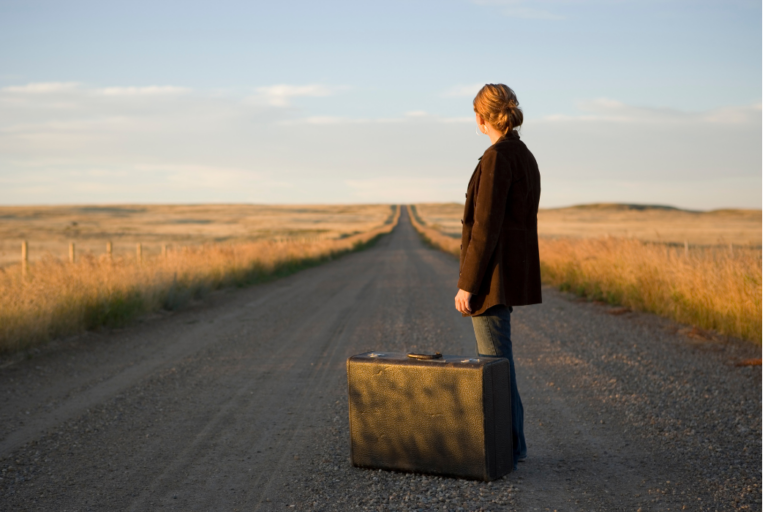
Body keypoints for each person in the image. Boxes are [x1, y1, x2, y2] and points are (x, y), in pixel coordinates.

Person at [454, 83, 542, 467]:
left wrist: (467, 284)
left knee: (494, 365)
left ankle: (509, 449)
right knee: (500, 363)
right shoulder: (524, 155)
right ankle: (514, 445)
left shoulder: (496, 158)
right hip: (509, 274)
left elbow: (485, 227)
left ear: (480, 117)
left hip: (492, 278)